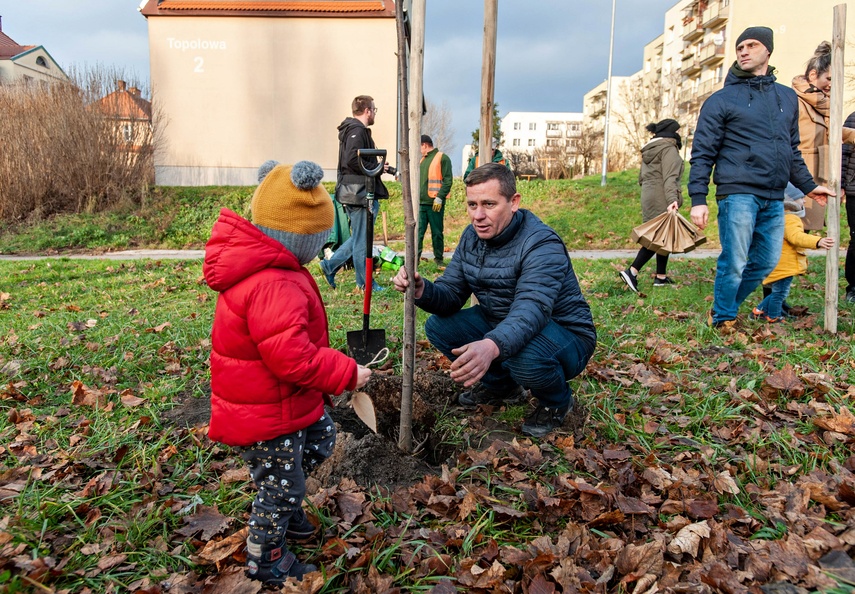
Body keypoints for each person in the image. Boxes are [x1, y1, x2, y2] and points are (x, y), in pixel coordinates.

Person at [203, 161, 372, 585]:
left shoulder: (275, 269)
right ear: (301, 236)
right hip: (266, 412)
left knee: (323, 437)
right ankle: (266, 557)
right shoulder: (273, 282)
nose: (320, 249)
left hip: (282, 401)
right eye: (319, 240)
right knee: (281, 488)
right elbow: (292, 357)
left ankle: (288, 505)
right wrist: (348, 373)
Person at [391, 163, 596, 438]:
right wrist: (421, 290)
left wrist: (492, 345)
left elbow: (531, 309)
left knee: (522, 356)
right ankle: (502, 386)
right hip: (501, 321)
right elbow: (451, 294)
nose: (478, 215)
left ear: (514, 202)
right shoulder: (471, 237)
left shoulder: (541, 243)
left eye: (489, 204)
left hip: (564, 333)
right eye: (472, 204)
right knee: (440, 327)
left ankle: (557, 402)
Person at [688, 26, 834, 331]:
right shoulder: (721, 100)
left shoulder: (786, 97)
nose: (743, 51)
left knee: (766, 262)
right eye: (740, 47)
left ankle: (721, 309)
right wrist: (698, 199)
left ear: (768, 50)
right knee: (735, 261)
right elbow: (702, 152)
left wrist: (809, 186)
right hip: (738, 192)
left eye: (751, 45)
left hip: (775, 195)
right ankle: (724, 319)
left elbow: (791, 150)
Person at [320, 95, 391, 291]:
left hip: (356, 192)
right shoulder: (357, 130)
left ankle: (330, 266)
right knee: (362, 240)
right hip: (359, 194)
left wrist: (377, 167)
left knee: (360, 237)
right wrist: (375, 167)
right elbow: (352, 160)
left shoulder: (353, 130)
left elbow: (357, 160)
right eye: (374, 110)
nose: (375, 113)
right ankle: (364, 284)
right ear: (367, 110)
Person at [793, 41, 855, 231]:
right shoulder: (796, 101)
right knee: (791, 237)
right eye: (829, 78)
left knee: (802, 241)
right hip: (797, 182)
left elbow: (831, 132)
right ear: (813, 75)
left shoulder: (820, 105)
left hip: (814, 181)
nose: (831, 85)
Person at [620, 118, 684, 292]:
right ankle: (632, 271)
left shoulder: (650, 149)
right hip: (662, 194)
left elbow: (641, 178)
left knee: (664, 234)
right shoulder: (669, 149)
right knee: (658, 236)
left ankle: (661, 277)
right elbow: (670, 177)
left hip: (649, 194)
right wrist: (672, 199)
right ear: (672, 133)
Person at [751, 191, 834, 322]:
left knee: (776, 292)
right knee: (780, 293)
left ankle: (759, 311)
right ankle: (773, 316)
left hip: (775, 263)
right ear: (790, 202)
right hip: (785, 265)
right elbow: (796, 237)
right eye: (801, 198)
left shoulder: (774, 217)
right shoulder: (790, 219)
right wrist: (817, 242)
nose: (805, 201)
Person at [417, 134, 453, 263]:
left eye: (419, 147)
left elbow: (448, 181)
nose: (418, 150)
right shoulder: (422, 160)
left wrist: (439, 197)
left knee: (437, 233)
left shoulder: (442, 158)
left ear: (424, 145)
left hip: (434, 203)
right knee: (418, 233)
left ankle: (438, 259)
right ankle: (415, 260)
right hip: (421, 204)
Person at [841, 110, 855, 303]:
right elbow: (843, 154)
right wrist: (842, 184)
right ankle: (853, 287)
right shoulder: (853, 118)